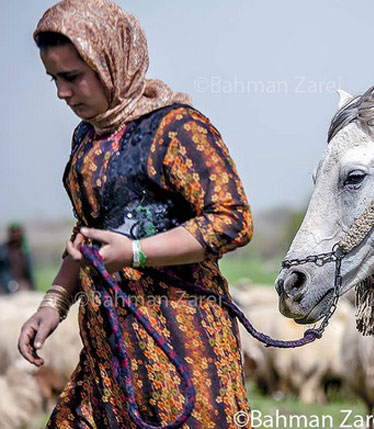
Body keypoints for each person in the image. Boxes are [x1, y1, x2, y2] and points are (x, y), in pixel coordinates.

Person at [18, 0, 253, 427]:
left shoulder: (178, 129)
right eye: (54, 79)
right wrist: (53, 303)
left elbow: (232, 219)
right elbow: (88, 232)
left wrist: (136, 252)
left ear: (111, 63)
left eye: (72, 77)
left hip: (183, 347)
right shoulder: (86, 139)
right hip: (108, 352)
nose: (62, 93)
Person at [0, 223, 35, 294]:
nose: (15, 234)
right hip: (6, 284)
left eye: (17, 232)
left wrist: (32, 285)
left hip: (22, 284)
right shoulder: (3, 249)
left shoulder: (25, 250)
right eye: (13, 232)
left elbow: (29, 270)